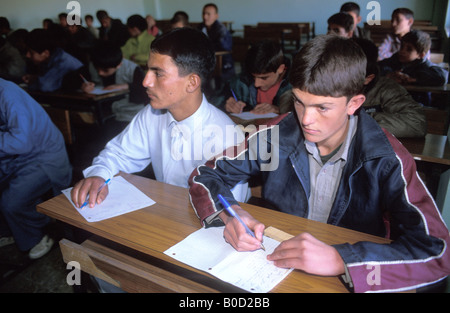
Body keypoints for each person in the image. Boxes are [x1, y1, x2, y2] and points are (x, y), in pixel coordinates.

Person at [188, 35, 450, 293]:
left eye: (322, 108)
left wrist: (342, 259)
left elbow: (438, 253)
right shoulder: (277, 135)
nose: (306, 120)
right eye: (299, 102)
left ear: (354, 103)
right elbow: (204, 175)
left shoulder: (387, 158)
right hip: (275, 267)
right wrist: (231, 212)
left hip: (343, 279)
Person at [71, 27, 249, 212]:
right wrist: (99, 175)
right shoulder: (152, 115)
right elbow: (118, 154)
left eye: (158, 73)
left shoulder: (227, 139)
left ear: (192, 83)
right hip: (167, 213)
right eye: (148, 70)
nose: (145, 81)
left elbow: (230, 212)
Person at [0, 78, 72, 259]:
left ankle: (41, 231)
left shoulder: (8, 95)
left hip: (44, 157)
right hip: (18, 158)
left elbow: (20, 142)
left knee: (11, 202)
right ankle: (12, 231)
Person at [355, 38, 426, 138]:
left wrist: (356, 120)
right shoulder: (328, 85)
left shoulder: (385, 89)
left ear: (367, 78)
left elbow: (417, 124)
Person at [81, 42, 147, 124]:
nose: (100, 73)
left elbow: (146, 93)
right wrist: (84, 86)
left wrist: (126, 86)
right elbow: (74, 80)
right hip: (102, 113)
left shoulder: (133, 69)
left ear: (119, 65)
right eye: (97, 69)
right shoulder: (93, 64)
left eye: (105, 70)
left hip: (129, 116)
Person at [220, 40, 292, 115]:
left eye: (264, 78)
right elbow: (213, 100)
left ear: (280, 69)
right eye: (253, 77)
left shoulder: (296, 85)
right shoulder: (242, 81)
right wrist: (224, 104)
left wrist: (281, 110)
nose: (256, 84)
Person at [378, 30, 447, 105]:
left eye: (409, 49)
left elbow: (442, 76)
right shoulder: (396, 58)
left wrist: (413, 79)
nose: (402, 51)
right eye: (402, 47)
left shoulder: (424, 65)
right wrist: (388, 74)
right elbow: (379, 66)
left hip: (418, 103)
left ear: (421, 55)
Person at [198, 3, 234, 83]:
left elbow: (225, 47)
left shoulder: (221, 30)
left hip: (223, 64)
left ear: (216, 16)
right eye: (203, 13)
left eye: (208, 14)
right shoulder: (200, 27)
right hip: (208, 62)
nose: (205, 17)